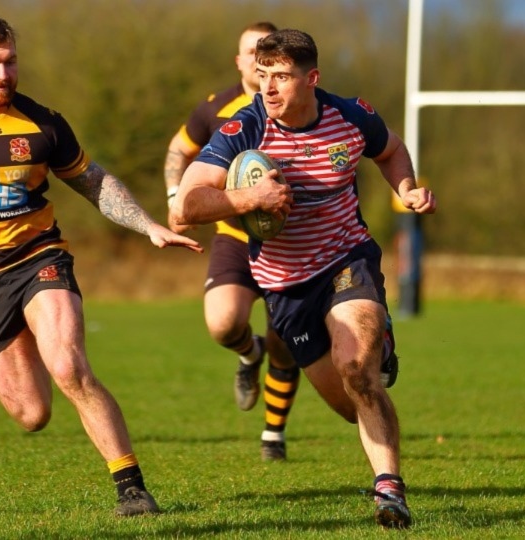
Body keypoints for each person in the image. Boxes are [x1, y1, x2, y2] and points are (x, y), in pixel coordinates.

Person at [0, 15, 202, 517]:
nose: (2, 74)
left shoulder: (43, 123)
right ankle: (30, 337)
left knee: (70, 366)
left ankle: (131, 488)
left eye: (9, 62)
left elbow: (92, 181)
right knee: (32, 414)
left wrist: (146, 225)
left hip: (39, 259)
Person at [170, 29, 435, 529]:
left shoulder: (351, 116)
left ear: (311, 78)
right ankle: (375, 352)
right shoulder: (242, 130)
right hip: (285, 285)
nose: (268, 88)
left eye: (282, 77)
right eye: (263, 76)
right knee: (349, 403)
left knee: (357, 367)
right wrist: (250, 200)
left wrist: (406, 188)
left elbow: (392, 150)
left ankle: (390, 493)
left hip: (344, 260)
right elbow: (187, 206)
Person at [163, 21, 302, 461]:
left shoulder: (299, 105)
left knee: (285, 341)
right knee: (223, 324)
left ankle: (273, 435)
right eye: (251, 53)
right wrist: (175, 196)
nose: (259, 61)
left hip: (290, 242)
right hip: (234, 238)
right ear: (240, 61)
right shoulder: (215, 110)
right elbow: (177, 151)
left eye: (268, 54)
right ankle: (248, 354)